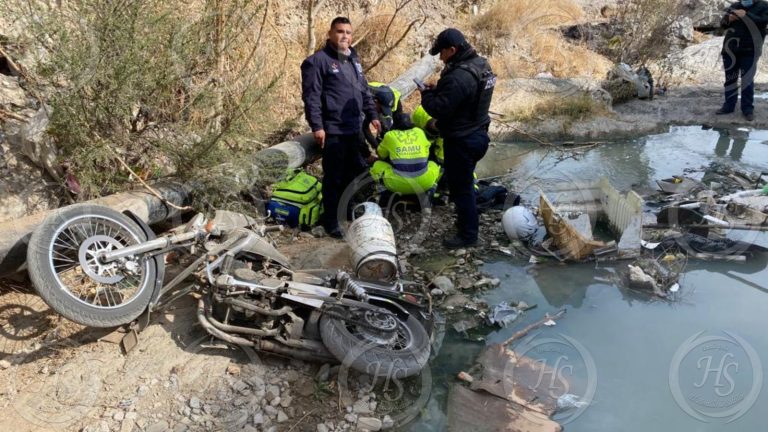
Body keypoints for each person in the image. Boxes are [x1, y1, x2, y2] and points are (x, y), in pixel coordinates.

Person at [300, 16, 381, 238]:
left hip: (354, 128)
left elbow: (364, 90)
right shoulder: (317, 61)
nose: (345, 35)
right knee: (334, 176)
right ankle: (331, 221)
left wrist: (373, 115)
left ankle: (346, 212)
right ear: (330, 34)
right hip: (333, 129)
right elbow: (312, 97)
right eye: (340, 31)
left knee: (352, 172)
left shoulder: (353, 59)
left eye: (348, 32)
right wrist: (317, 126)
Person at [419, 28, 496, 248]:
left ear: (452, 50)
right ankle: (466, 220)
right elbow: (466, 99)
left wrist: (426, 93)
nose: (440, 58)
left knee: (462, 189)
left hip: (462, 141)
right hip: (479, 133)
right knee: (461, 185)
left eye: (442, 53)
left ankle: (468, 236)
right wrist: (441, 88)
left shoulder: (459, 77)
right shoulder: (482, 65)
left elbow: (438, 109)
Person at [364, 86, 440, 198]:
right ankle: (432, 189)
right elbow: (428, 152)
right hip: (424, 182)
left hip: (398, 185)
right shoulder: (419, 132)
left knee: (377, 165)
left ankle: (382, 191)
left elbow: (381, 155)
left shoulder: (390, 135)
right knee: (433, 164)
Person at [717, 0, 768, 121]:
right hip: (730, 51)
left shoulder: (764, 6)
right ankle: (728, 106)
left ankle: (747, 109)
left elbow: (763, 22)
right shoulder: (735, 6)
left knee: (747, 81)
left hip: (750, 51)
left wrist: (745, 15)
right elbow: (722, 24)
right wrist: (729, 20)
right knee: (730, 80)